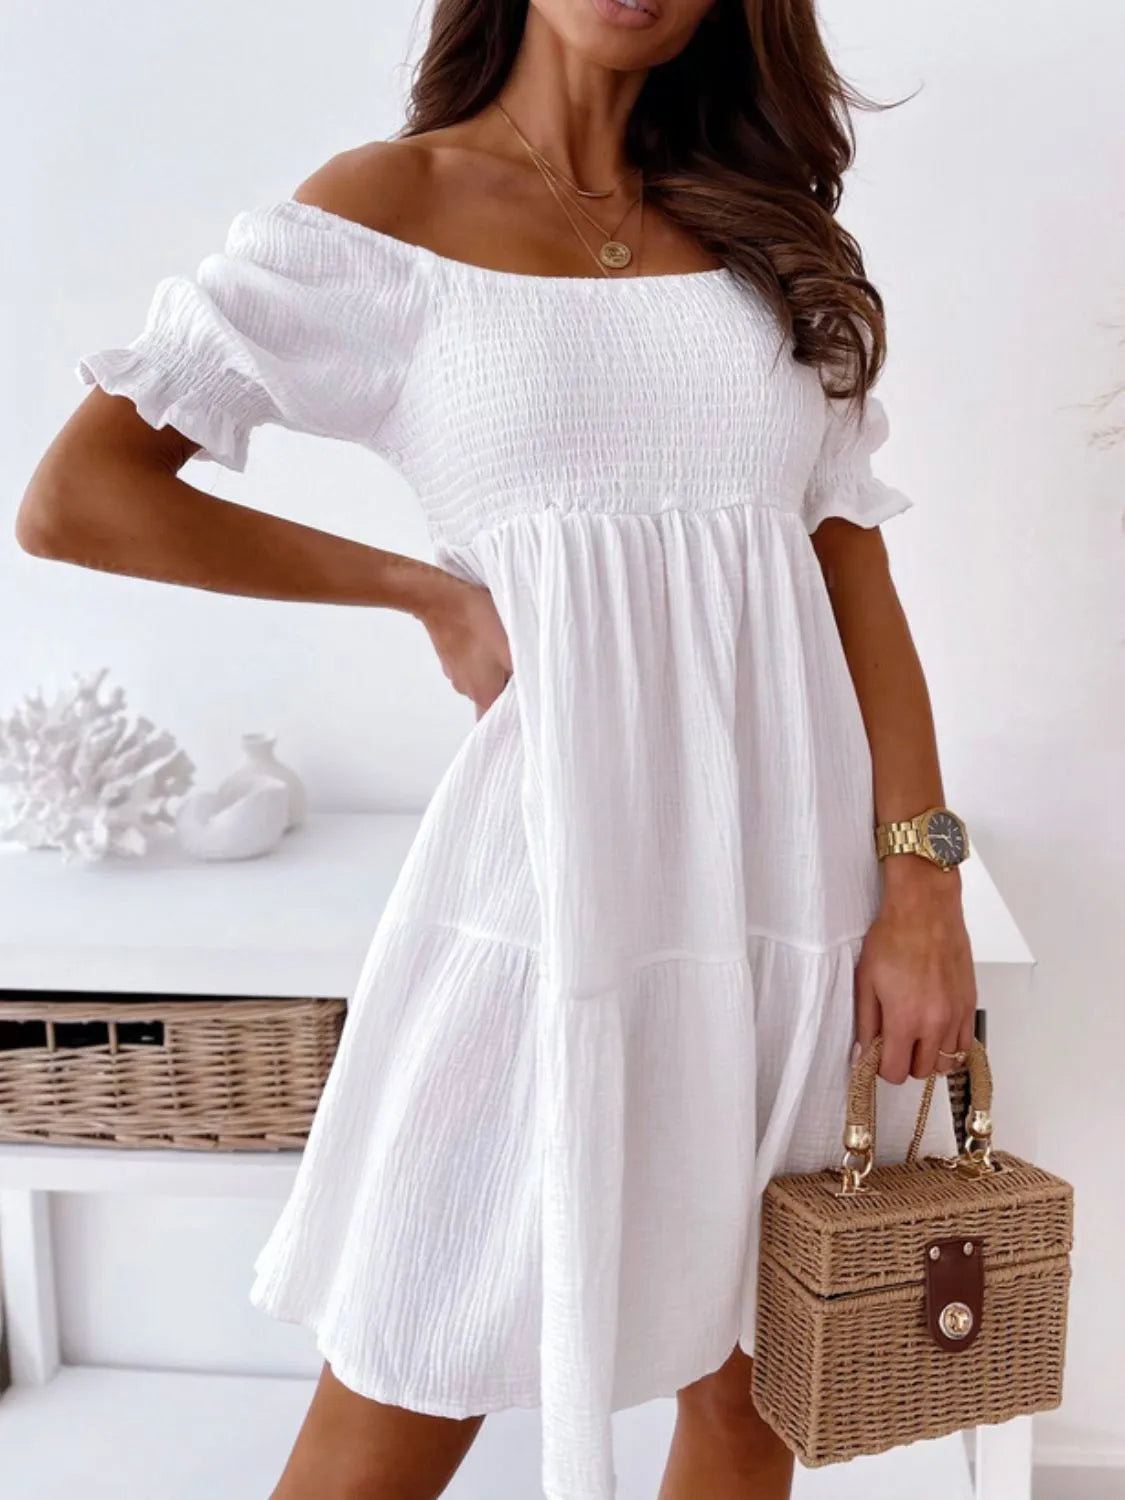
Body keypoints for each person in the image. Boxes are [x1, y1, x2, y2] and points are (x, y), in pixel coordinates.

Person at [17, 1, 978, 1496]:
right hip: (550, 897)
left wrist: (922, 886)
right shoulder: (384, 213)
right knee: (412, 1363)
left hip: (792, 897)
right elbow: (81, 496)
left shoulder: (767, 236)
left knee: (754, 1398)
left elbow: (852, 569)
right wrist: (425, 592)